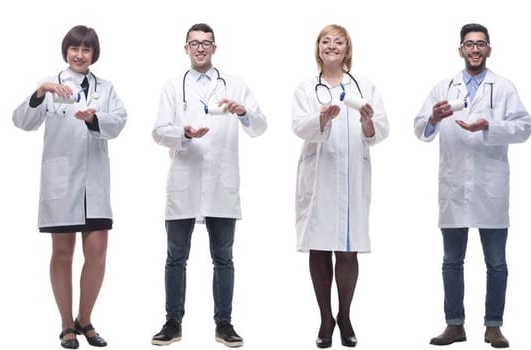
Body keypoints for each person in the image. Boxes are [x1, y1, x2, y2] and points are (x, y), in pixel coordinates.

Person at [149, 23, 267, 348]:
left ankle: (224, 324)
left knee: (224, 258)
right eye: (194, 43)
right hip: (183, 183)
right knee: (175, 257)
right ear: (185, 48)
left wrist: (243, 112)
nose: (200, 48)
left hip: (221, 185)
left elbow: (260, 126)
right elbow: (158, 131)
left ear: (215, 48)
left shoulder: (236, 84)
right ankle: (173, 322)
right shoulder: (173, 87)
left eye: (206, 43)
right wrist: (184, 134)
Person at [416, 23, 531, 349]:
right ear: (461, 50)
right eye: (469, 44)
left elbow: (524, 128)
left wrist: (488, 125)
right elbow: (420, 128)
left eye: (481, 44)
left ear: (489, 49)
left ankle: (493, 326)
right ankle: (455, 325)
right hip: (454, 188)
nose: (475, 49)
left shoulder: (504, 87)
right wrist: (434, 120)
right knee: (451, 262)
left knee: (496, 263)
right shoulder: (443, 87)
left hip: (489, 188)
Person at [12, 25, 126, 350]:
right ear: (66, 51)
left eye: (86, 50)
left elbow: (119, 121)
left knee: (97, 254)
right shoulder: (51, 85)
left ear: (93, 54)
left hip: (94, 185)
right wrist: (38, 92)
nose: (79, 54)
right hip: (61, 184)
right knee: (62, 254)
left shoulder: (106, 88)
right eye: (74, 49)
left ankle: (84, 320)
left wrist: (93, 119)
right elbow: (22, 121)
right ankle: (66, 325)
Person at [291, 24, 389, 349]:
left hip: (351, 176)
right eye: (325, 41)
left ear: (347, 50)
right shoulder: (306, 88)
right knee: (319, 248)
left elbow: (381, 130)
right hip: (319, 177)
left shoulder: (365, 86)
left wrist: (367, 121)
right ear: (318, 48)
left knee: (347, 250)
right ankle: (324, 318)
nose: (331, 46)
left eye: (338, 42)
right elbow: (298, 126)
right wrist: (321, 119)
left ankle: (345, 315)